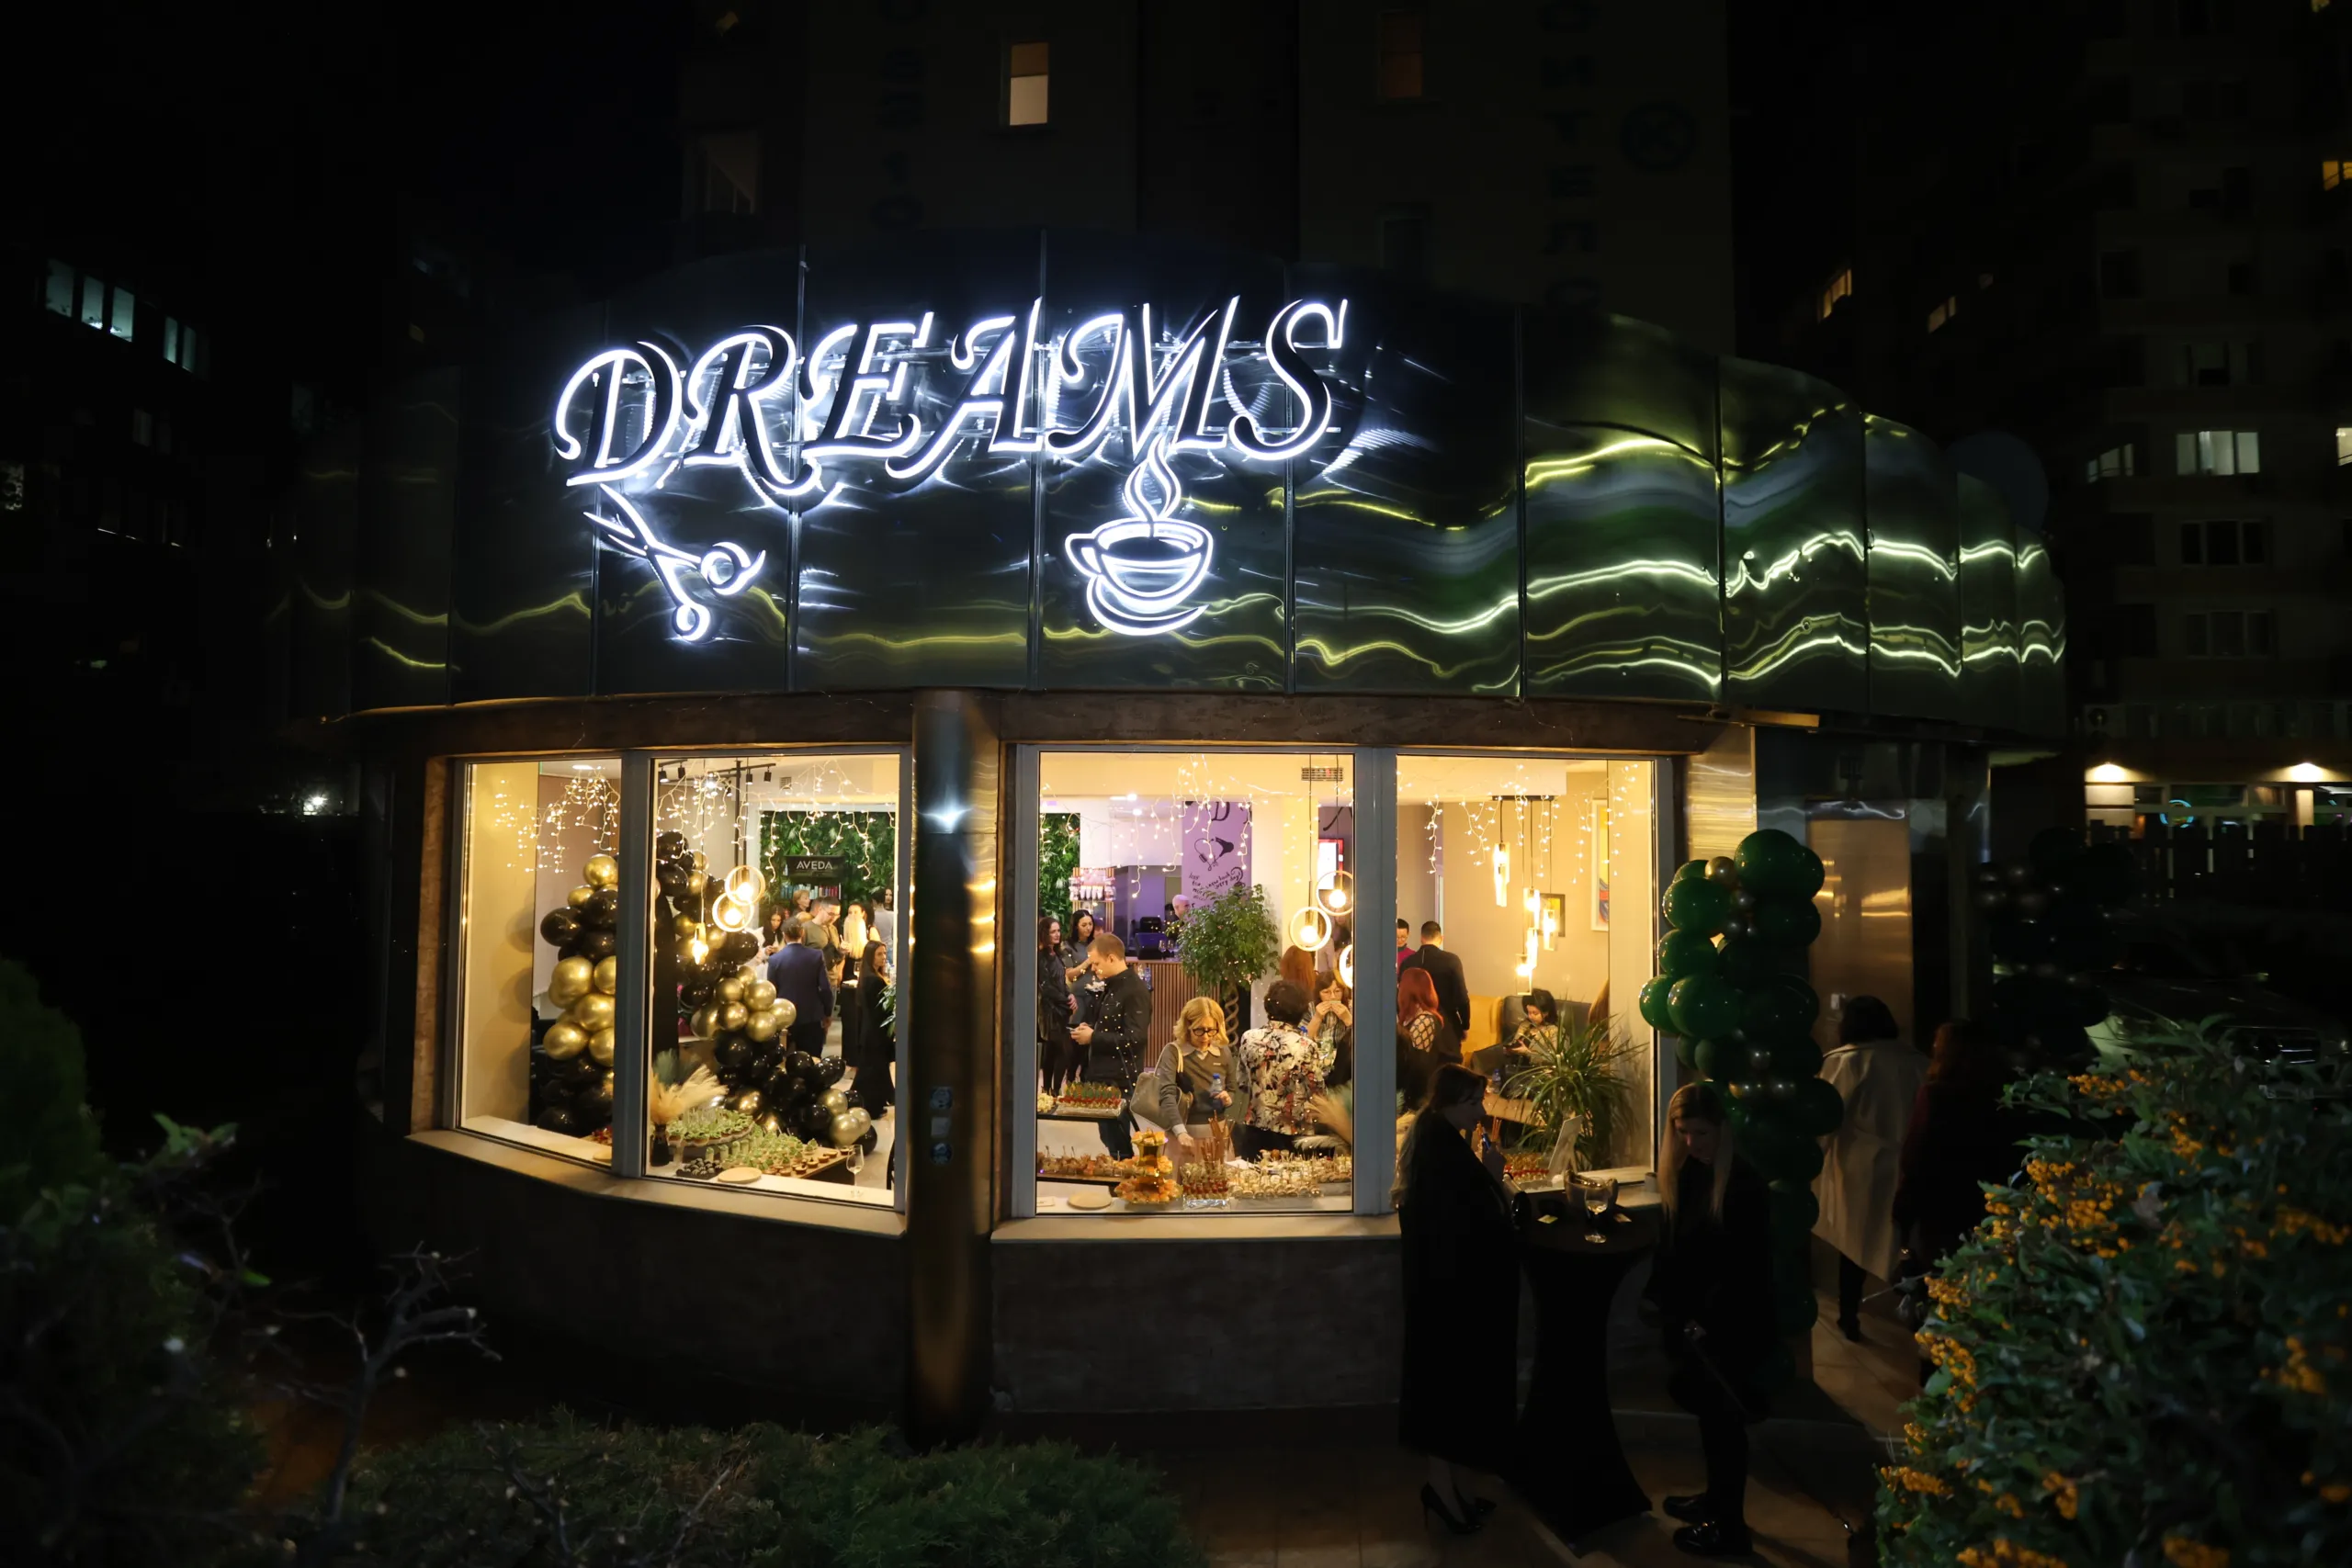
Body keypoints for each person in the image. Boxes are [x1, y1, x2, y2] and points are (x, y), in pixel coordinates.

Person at [1645, 1082, 1774, 1557]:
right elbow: (1677, 1248)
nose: (1690, 1142)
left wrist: (1706, 1320)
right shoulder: (1690, 1172)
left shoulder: (1742, 1184)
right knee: (1710, 1420)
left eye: (1700, 1132)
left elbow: (1744, 1271)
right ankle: (1716, 1501)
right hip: (1696, 1324)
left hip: (1728, 1327)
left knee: (1725, 1428)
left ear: (1721, 1129)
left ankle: (1730, 1528)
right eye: (1681, 1132)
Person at [1396, 1064, 1517, 1537]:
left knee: (1446, 1397)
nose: (1481, 1111)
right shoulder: (1442, 1151)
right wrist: (1494, 1180)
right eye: (1473, 1102)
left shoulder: (1437, 1139)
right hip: (1449, 1299)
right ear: (1449, 1103)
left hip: (1441, 1295)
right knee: (1446, 1398)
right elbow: (1473, 1224)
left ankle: (1450, 1491)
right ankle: (1443, 1492)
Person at [1815, 995, 1924, 1341]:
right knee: (1904, 1242)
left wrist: (1814, 1156)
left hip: (1861, 1167)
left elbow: (1826, 1116)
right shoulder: (1916, 1061)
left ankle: (1849, 1315)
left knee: (1855, 1243)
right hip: (1909, 1164)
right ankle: (1919, 1318)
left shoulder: (1846, 1061)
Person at [1893, 1020, 2025, 1278]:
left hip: (1944, 1206)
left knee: (1945, 1278)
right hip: (1996, 1203)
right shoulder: (2007, 1095)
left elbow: (1916, 1157)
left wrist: (1904, 1208)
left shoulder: (1936, 1095)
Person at [1070, 931, 1150, 1160]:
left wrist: (1094, 1037)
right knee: (1111, 1139)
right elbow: (1110, 1026)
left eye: (1096, 963)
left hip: (1120, 1079)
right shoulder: (1112, 985)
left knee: (1119, 1145)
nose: (1093, 969)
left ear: (1112, 958)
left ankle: (1125, 1181)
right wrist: (1090, 1028)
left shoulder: (1134, 990)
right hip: (1104, 1076)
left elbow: (1136, 1039)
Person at [1233, 979, 1325, 1161]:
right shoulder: (1306, 1046)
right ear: (1300, 1009)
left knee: (1254, 1178)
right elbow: (1317, 1093)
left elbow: (1242, 1082)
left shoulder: (1249, 1038)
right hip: (1293, 1132)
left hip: (1256, 1128)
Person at [1147, 996, 1236, 1145]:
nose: (1205, 1036)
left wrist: (1228, 1099)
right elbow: (1167, 1093)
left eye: (1211, 1030)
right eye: (1199, 1030)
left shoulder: (1223, 1051)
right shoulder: (1174, 1051)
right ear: (1187, 1026)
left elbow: (1232, 1088)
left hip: (1218, 1131)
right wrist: (1180, 1131)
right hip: (1184, 1132)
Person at [764, 918, 832, 1057]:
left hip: (784, 1017)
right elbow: (825, 988)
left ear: (784, 934)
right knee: (812, 1059)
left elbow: (772, 991)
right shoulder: (816, 955)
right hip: (811, 1015)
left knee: (784, 1060)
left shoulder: (775, 959)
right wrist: (827, 1012)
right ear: (802, 933)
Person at [845, 939, 895, 1114]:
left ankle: (879, 1101)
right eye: (879, 954)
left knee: (875, 1069)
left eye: (884, 953)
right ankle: (869, 1106)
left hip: (871, 1030)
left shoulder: (869, 977)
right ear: (870, 957)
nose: (883, 957)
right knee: (871, 1072)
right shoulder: (874, 981)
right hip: (876, 1031)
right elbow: (881, 1009)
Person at [1399, 921, 1472, 1040]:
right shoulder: (1451, 961)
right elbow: (1462, 998)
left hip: (1414, 1028)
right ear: (1441, 939)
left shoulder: (1407, 963)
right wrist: (1465, 1026)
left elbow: (1400, 997)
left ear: (1421, 938)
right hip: (1446, 1027)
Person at [1037, 916, 1080, 1094]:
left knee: (1053, 1050)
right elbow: (1046, 988)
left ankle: (1049, 1091)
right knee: (1063, 1051)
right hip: (1049, 1010)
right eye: (1052, 931)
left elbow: (1061, 983)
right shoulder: (1040, 958)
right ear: (1044, 934)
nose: (1057, 934)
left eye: (1058, 931)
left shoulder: (1057, 955)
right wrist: (1066, 1000)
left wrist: (1070, 995)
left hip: (1060, 1008)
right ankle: (1053, 1090)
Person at [1309, 971, 1353, 1088]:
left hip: (1345, 1066)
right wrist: (1317, 1018)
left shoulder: (1352, 1006)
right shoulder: (1310, 1008)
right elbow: (1303, 1039)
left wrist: (1349, 1019)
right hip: (1316, 1064)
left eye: (1337, 991)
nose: (1333, 997)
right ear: (1318, 994)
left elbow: (1365, 1040)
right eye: (1326, 992)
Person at [872, 888, 896, 957]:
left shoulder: (872, 916)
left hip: (878, 949)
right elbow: (893, 934)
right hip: (890, 948)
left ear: (874, 901)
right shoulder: (892, 914)